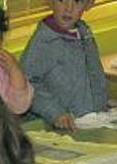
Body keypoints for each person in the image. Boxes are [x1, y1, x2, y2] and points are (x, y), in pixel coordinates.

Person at [21, 0, 108, 131]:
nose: (68, 8)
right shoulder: (43, 42)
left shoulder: (84, 34)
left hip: (88, 121)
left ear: (89, 4)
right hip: (56, 127)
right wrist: (55, 113)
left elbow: (94, 75)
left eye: (77, 2)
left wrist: (103, 101)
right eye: (62, 0)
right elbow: (26, 84)